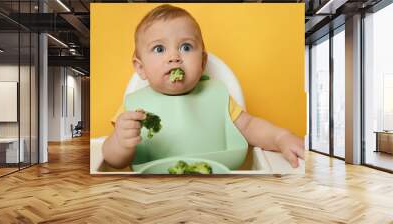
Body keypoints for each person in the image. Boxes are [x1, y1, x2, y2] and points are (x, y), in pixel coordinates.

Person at [102, 4, 304, 171]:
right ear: (141, 67)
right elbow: (113, 160)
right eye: (159, 49)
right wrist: (120, 142)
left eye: (186, 47)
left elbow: (250, 127)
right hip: (154, 192)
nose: (174, 57)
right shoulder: (134, 108)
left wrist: (280, 137)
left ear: (202, 61)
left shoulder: (217, 96)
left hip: (217, 189)